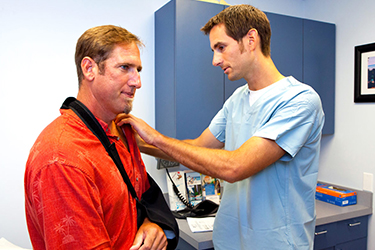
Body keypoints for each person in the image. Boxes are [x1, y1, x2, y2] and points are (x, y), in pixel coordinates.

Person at [117, 4, 325, 250]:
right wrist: (134, 140)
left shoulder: (300, 101)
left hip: (276, 242)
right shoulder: (236, 100)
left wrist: (157, 138)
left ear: (250, 40)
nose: (215, 60)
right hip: (230, 240)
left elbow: (236, 166)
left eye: (221, 47)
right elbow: (196, 148)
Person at [24, 25, 168, 250]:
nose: (137, 82)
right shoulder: (61, 159)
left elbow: (139, 199)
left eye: (137, 69)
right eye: (125, 67)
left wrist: (151, 223)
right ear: (89, 69)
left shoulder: (121, 129)